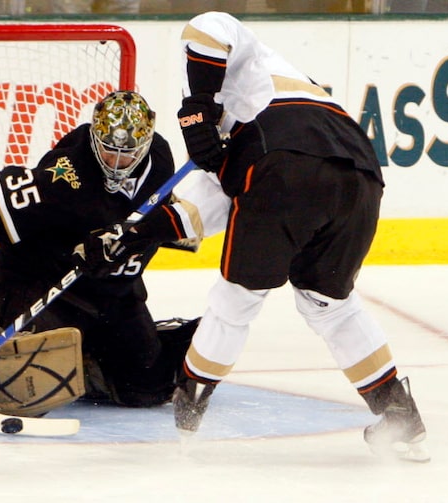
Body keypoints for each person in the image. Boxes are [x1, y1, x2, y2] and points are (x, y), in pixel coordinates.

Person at [165, 11, 427, 461]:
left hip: (283, 166)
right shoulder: (280, 91)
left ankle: (190, 400)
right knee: (330, 304)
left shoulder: (247, 63)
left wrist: (196, 108)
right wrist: (137, 236)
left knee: (238, 298)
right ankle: (399, 415)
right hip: (359, 173)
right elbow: (212, 201)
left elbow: (208, 25)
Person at [0, 90, 204, 407]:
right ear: (95, 136)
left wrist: (144, 234)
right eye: (108, 150)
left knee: (147, 389)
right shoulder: (67, 174)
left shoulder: (160, 162)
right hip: (43, 286)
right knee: (36, 374)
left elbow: (175, 215)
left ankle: (96, 359)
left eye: (128, 154)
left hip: (115, 294)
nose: (117, 162)